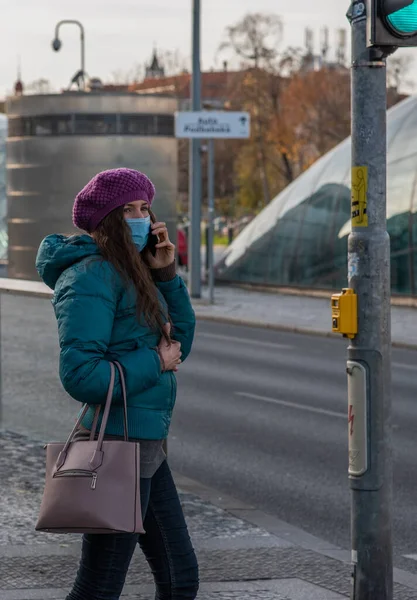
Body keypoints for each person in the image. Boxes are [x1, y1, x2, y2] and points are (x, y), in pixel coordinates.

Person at [36, 168, 199, 600]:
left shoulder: (136, 272)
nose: (140, 217)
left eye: (145, 207)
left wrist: (166, 276)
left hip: (147, 446)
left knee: (181, 580)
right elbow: (80, 374)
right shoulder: (90, 275)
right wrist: (154, 360)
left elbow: (178, 343)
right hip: (118, 446)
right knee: (99, 588)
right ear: (106, 219)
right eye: (127, 210)